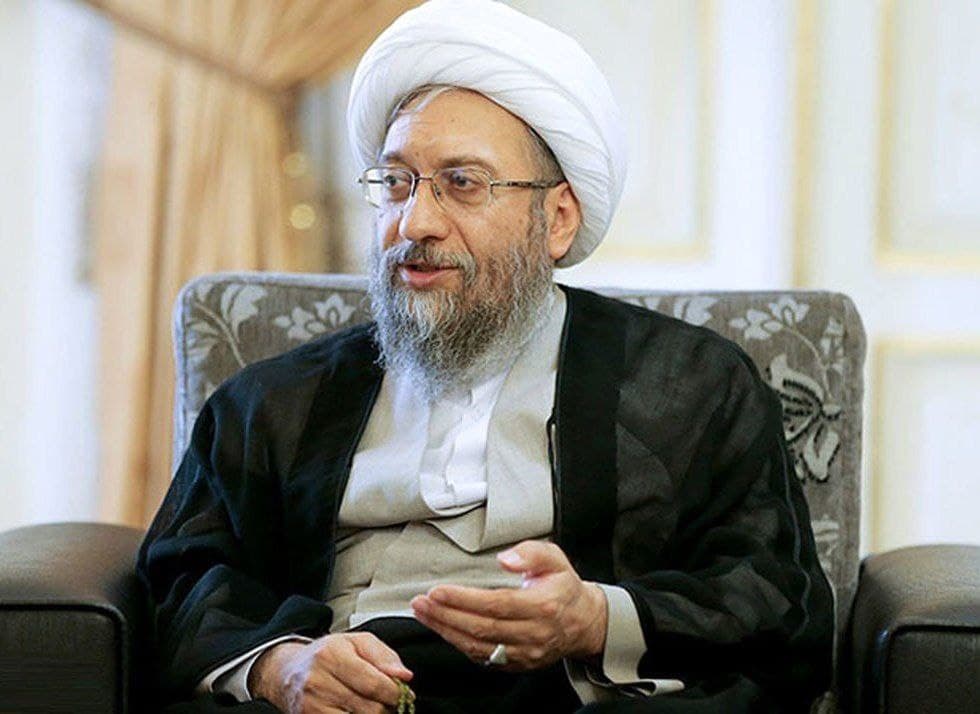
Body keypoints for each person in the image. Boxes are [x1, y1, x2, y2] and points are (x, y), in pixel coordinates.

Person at [138, 1, 833, 712]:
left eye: (463, 183)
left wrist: (595, 619)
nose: (415, 222)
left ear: (557, 219)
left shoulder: (691, 384)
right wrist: (280, 666)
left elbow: (777, 596)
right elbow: (178, 581)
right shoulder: (272, 402)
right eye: (396, 182)